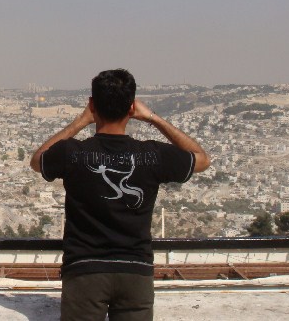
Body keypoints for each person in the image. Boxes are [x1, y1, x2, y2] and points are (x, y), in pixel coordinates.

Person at [30, 69, 210, 321]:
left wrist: (82, 121)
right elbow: (201, 159)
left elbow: (38, 160)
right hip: (136, 271)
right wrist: (153, 118)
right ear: (131, 108)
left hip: (84, 270)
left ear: (92, 105)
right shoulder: (152, 154)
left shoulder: (72, 152)